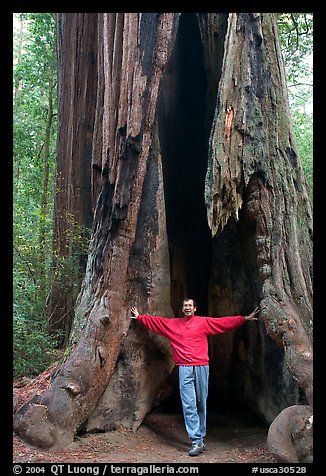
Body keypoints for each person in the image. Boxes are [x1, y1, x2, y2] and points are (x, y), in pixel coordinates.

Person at [130, 298, 259, 456]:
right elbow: (156, 322)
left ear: (195, 308)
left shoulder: (202, 322)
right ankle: (196, 440)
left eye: (190, 305)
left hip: (201, 367)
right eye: (185, 306)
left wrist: (243, 319)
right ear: (182, 309)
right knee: (188, 404)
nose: (187, 308)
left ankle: (201, 438)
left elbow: (222, 323)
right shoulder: (173, 324)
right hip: (184, 368)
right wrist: (140, 317)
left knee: (201, 402)